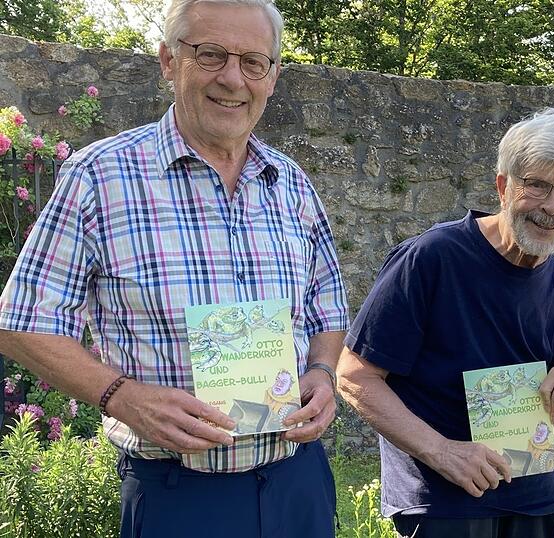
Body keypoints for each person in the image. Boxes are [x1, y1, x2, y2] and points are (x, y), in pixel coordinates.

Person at [0, 0, 348, 536]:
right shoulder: (100, 177)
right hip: (178, 495)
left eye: (254, 62)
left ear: (273, 76)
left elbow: (327, 304)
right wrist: (125, 397)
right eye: (210, 54)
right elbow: (21, 321)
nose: (233, 78)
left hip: (297, 482)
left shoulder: (291, 183)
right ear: (168, 61)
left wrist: (323, 374)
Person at [337, 108, 554, 538]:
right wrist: (443, 452)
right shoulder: (432, 257)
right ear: (503, 186)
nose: (553, 207)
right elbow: (354, 376)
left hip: (534, 498)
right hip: (445, 503)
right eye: (536, 185)